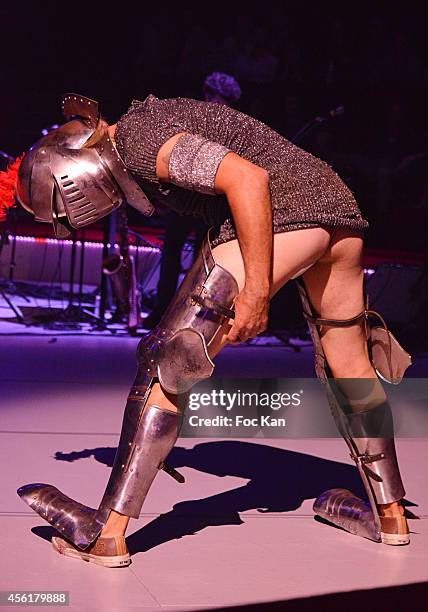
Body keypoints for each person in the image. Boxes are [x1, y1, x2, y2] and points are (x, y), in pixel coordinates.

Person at [13, 92, 411, 568]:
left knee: (168, 361)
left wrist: (257, 291)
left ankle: (106, 532)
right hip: (336, 212)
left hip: (287, 211)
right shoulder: (147, 132)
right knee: (351, 364)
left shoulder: (139, 138)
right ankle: (390, 517)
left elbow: (248, 179)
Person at [144, 72, 242, 329]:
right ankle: (162, 309)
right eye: (208, 94)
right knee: (171, 252)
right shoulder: (196, 118)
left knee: (204, 259)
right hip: (187, 198)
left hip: (211, 204)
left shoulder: (233, 125)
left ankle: (194, 315)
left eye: (215, 96)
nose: (210, 100)